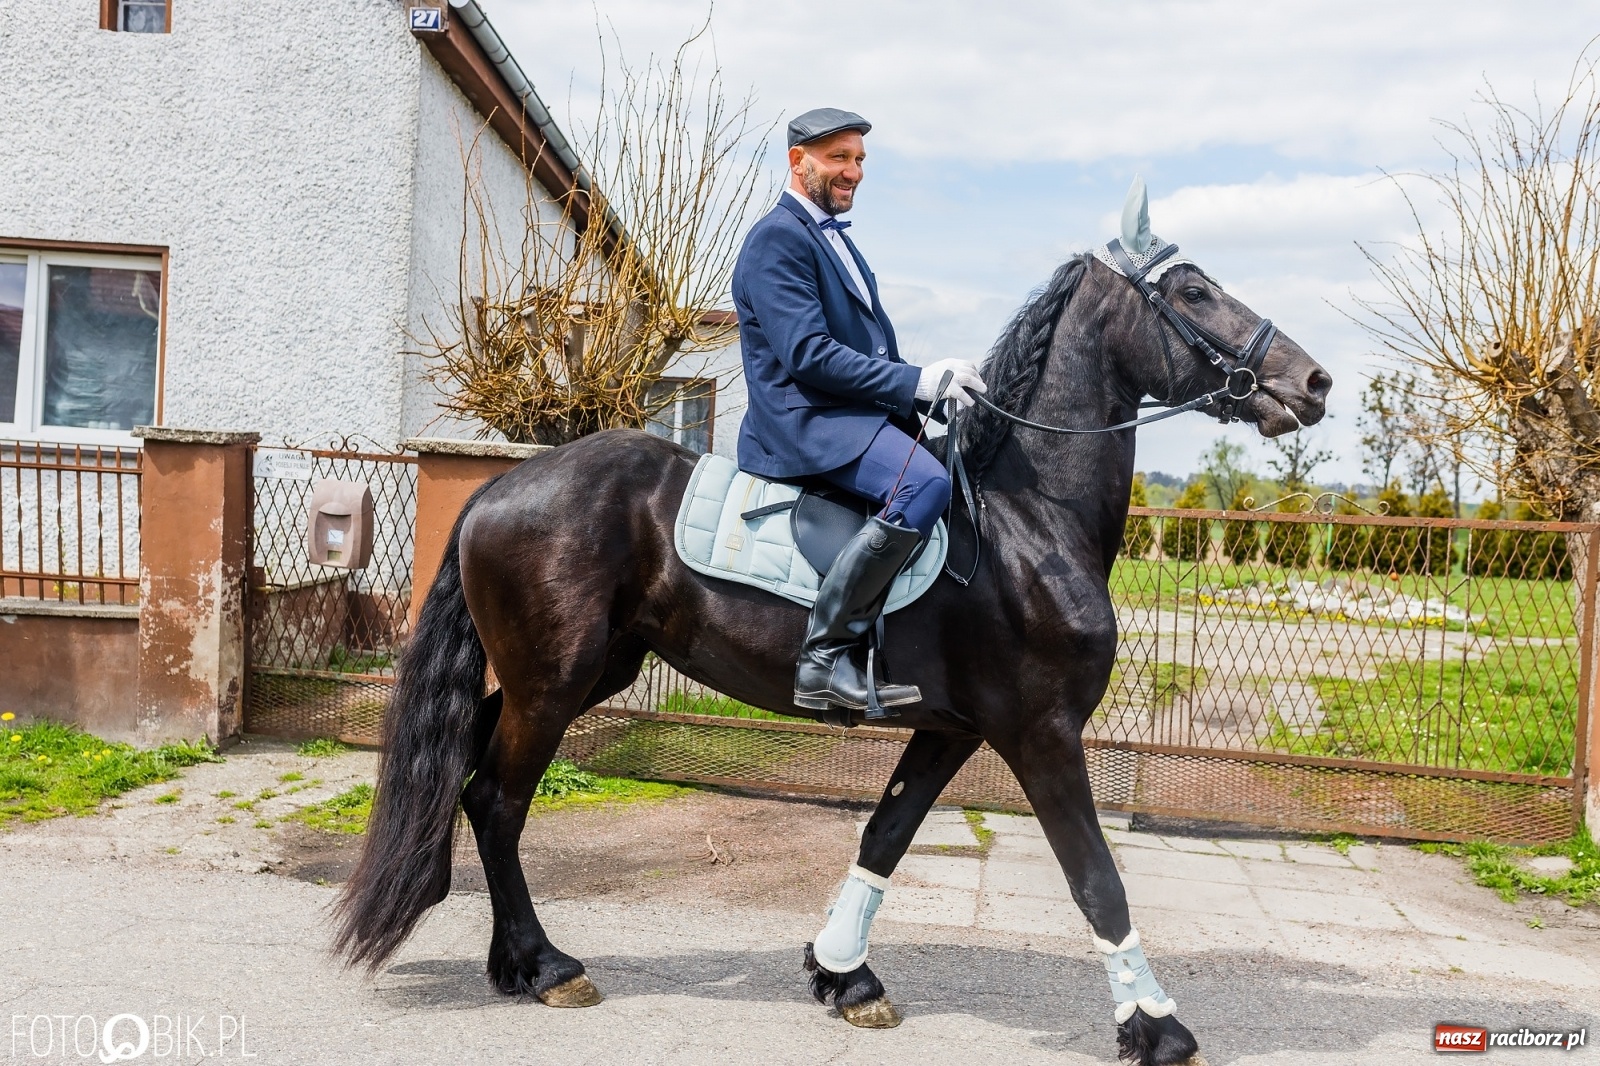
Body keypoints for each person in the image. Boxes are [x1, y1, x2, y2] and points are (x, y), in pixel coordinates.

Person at [731, 107, 986, 716]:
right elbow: (810, 356)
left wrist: (927, 400)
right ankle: (822, 658)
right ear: (800, 162)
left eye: (860, 160)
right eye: (840, 158)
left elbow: (869, 347)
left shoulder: (833, 239)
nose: (854, 172)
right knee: (923, 483)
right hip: (803, 421)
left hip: (849, 415)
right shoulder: (777, 240)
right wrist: (916, 382)